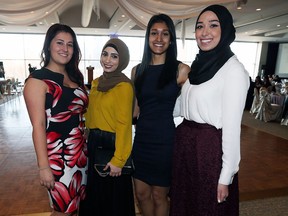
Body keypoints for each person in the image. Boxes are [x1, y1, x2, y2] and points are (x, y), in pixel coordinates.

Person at [169, 5, 250, 216]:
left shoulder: (234, 70)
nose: (205, 32)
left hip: (208, 151)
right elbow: (181, 107)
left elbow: (232, 129)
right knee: (185, 205)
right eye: (199, 26)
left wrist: (226, 177)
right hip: (187, 146)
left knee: (207, 208)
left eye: (213, 25)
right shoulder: (198, 65)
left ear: (225, 30)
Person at [23, 23, 88, 216]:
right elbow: (38, 126)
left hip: (79, 153)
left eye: (70, 45)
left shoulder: (75, 76)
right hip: (57, 157)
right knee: (62, 211)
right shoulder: (37, 81)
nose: (65, 49)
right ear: (48, 46)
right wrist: (43, 167)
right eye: (59, 43)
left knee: (75, 208)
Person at [131, 14, 190, 216]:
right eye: (154, 33)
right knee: (141, 194)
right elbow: (134, 110)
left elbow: (195, 105)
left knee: (159, 195)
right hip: (141, 141)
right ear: (147, 37)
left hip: (165, 141)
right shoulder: (137, 71)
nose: (159, 38)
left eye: (165, 34)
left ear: (171, 39)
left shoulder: (181, 70)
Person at [79, 38, 135, 216]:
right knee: (96, 197)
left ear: (122, 60)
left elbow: (124, 125)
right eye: (105, 54)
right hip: (95, 143)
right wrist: (87, 131)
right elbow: (91, 112)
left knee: (113, 201)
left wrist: (119, 160)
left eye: (114, 56)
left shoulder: (124, 86)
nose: (108, 60)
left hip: (113, 146)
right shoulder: (96, 83)